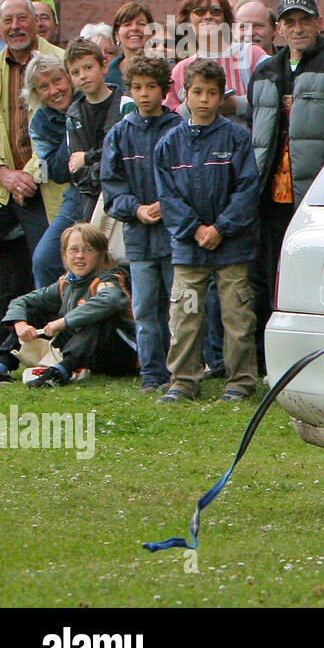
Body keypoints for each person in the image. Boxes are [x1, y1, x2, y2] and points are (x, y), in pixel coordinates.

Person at [249, 0, 324, 371]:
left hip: (317, 197)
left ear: (319, 24)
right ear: (279, 28)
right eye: (289, 22)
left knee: (317, 281)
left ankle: (319, 362)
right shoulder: (267, 71)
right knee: (269, 280)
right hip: (270, 197)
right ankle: (269, 362)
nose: (297, 28)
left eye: (304, 20)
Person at [154, 58, 260, 403]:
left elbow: (247, 190)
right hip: (188, 247)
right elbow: (167, 195)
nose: (204, 99)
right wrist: (193, 229)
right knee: (184, 316)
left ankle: (240, 382)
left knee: (237, 316)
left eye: (211, 93)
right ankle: (183, 381)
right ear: (184, 94)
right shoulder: (169, 144)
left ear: (221, 97)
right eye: (197, 92)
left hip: (231, 245)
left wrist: (221, 228)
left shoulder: (237, 138)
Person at [101, 54, 181, 394]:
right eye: (137, 87)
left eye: (151, 86)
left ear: (165, 90)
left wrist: (168, 205)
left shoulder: (179, 128)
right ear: (129, 90)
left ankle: (182, 372)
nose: (145, 93)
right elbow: (112, 186)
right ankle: (151, 374)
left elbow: (191, 179)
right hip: (138, 237)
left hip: (177, 235)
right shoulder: (119, 134)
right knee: (145, 308)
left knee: (180, 308)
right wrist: (136, 210)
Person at [0, 221, 135, 388]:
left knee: (97, 318)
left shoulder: (110, 279)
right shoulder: (66, 282)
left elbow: (110, 301)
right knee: (34, 311)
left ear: (101, 255)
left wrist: (62, 322)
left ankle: (58, 373)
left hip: (120, 356)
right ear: (64, 255)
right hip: (87, 354)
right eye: (73, 250)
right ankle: (1, 367)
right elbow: (22, 300)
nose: (80, 256)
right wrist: (20, 324)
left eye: (88, 250)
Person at [0, 0, 65, 270]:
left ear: (36, 22)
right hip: (0, 187)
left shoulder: (61, 63)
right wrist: (1, 172)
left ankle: (54, 315)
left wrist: (27, 175)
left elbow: (67, 128)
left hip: (44, 185)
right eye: (7, 21)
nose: (15, 26)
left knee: (48, 265)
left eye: (22, 18)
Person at [165, 0, 266, 130]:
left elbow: (273, 101)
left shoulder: (253, 55)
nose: (208, 16)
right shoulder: (181, 70)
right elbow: (170, 116)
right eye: (199, 11)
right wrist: (197, 105)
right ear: (188, 18)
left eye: (216, 11)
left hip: (245, 148)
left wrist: (235, 105)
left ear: (226, 18)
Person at [23, 52, 81, 287]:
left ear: (68, 77)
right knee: (44, 260)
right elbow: (55, 172)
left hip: (110, 189)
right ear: (36, 94)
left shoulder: (92, 99)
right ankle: (51, 321)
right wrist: (73, 127)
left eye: (57, 80)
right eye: (43, 87)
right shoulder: (40, 122)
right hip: (77, 193)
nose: (54, 90)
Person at [64, 38, 134, 221]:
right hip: (90, 197)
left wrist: (87, 157)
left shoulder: (126, 106)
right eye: (75, 72)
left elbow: (125, 159)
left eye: (88, 67)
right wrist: (99, 169)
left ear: (104, 66)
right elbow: (76, 170)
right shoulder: (73, 116)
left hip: (127, 195)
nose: (83, 76)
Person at [104, 1, 155, 90]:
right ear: (116, 35)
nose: (134, 28)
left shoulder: (167, 69)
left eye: (141, 24)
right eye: (127, 24)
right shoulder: (106, 75)